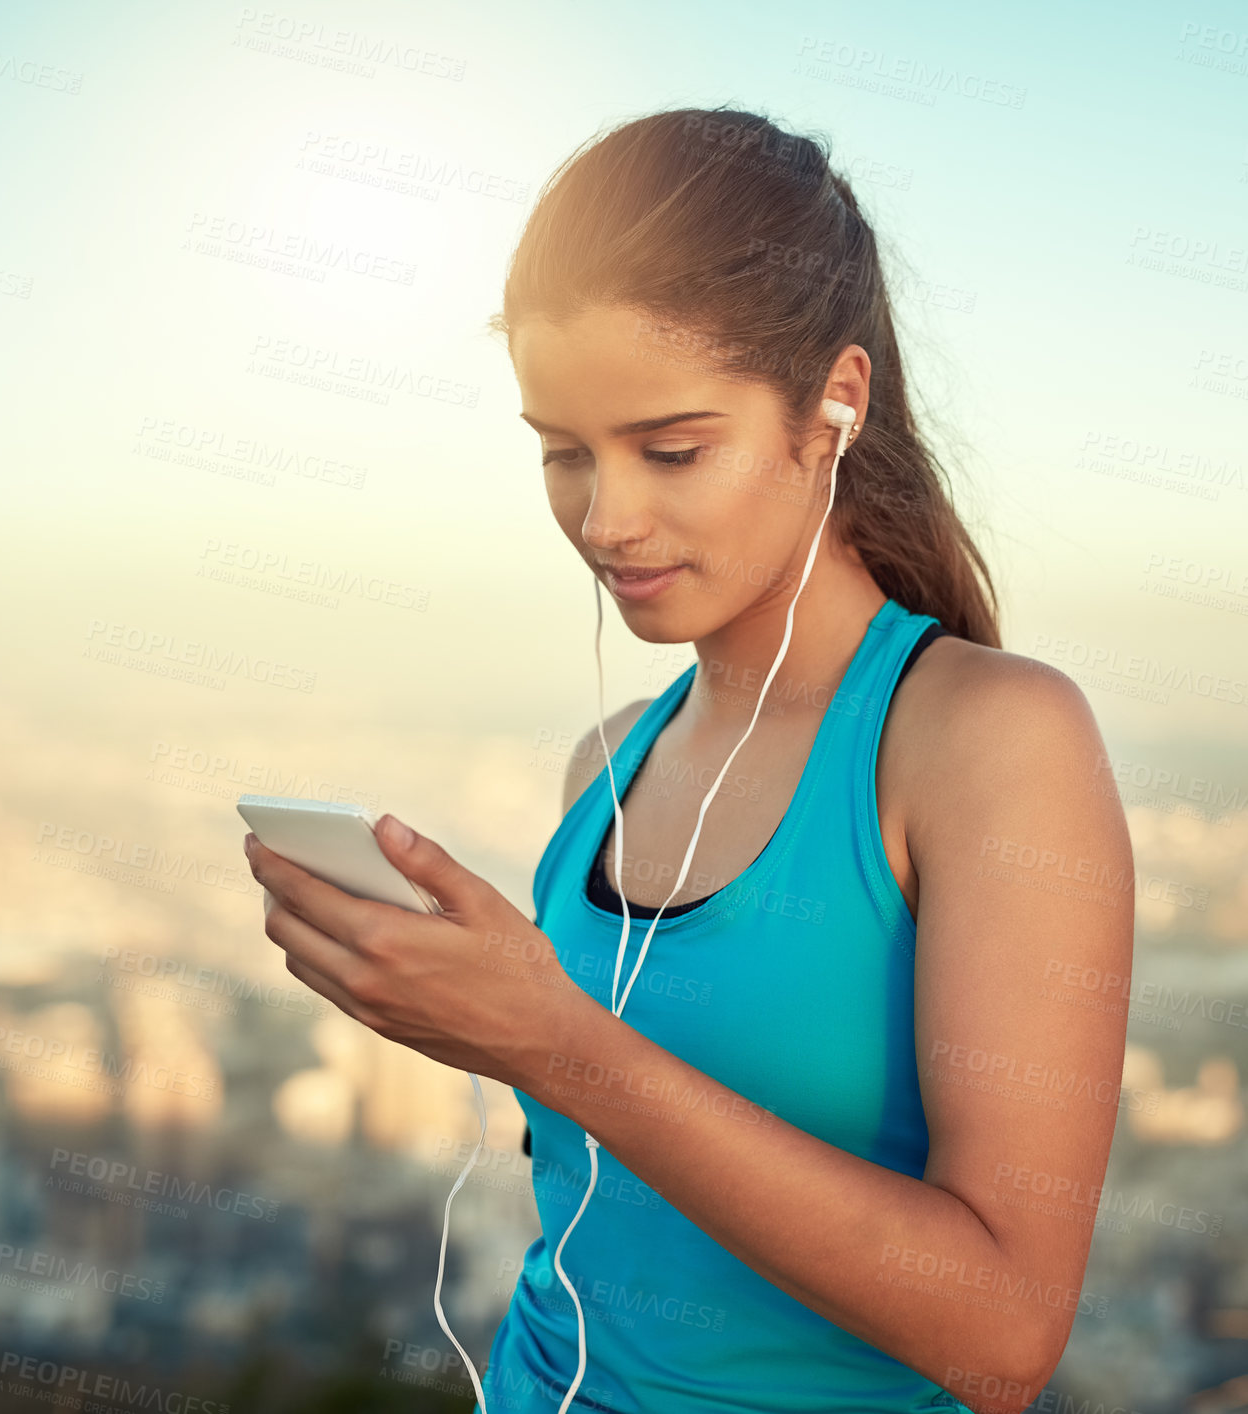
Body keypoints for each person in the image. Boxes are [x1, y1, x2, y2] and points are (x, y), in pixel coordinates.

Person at [244, 106, 1134, 1414]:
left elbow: (1003, 1338)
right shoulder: (606, 761)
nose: (604, 520)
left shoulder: (988, 739)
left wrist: (553, 1044)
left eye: (670, 450)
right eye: (562, 452)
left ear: (831, 403)